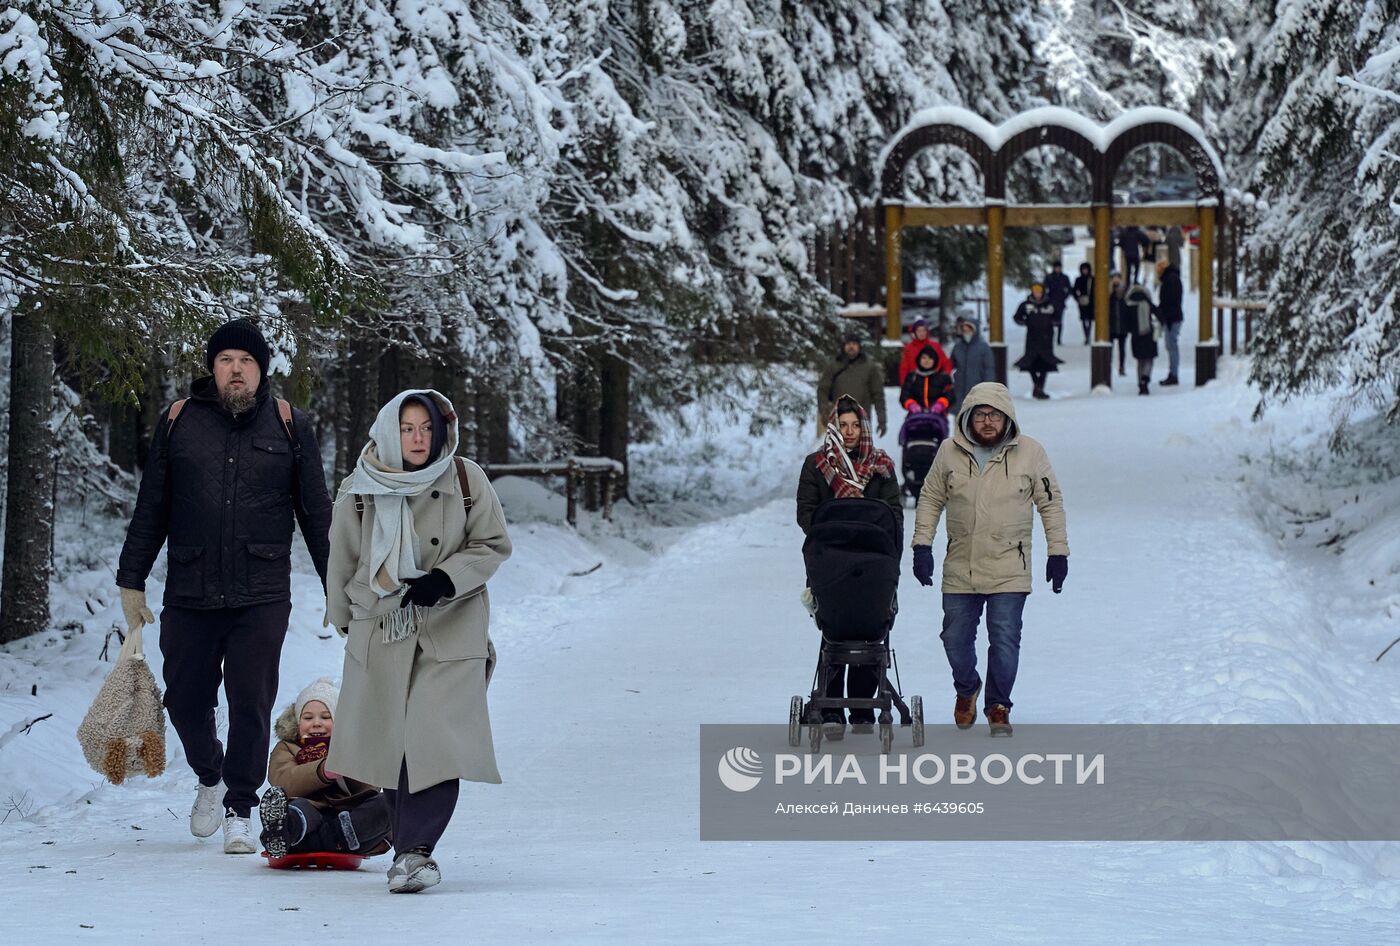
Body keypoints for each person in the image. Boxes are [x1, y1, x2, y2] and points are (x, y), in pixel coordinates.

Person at [115, 319, 333, 854]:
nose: (236, 370)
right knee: (186, 699)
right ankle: (209, 776)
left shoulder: (289, 424)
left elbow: (316, 514)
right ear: (212, 368)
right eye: (226, 360)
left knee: (251, 703)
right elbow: (152, 506)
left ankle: (240, 804)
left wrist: (338, 586)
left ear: (261, 371)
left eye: (247, 362)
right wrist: (131, 579)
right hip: (190, 588)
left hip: (261, 592)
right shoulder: (178, 421)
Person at [325, 389, 512, 894]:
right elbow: (342, 557)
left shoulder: (466, 478)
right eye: (407, 428)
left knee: (435, 740)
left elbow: (493, 544)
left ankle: (415, 850)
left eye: (426, 428)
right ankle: (406, 849)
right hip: (380, 626)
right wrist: (346, 621)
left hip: (451, 624)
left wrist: (446, 579)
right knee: (390, 742)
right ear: (390, 431)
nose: (418, 438)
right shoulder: (359, 486)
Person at [909, 382, 1069, 737]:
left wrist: (1058, 553)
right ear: (967, 417)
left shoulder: (1030, 453)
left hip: (1009, 565)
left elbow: (1050, 504)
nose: (987, 422)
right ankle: (967, 688)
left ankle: (999, 705)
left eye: (994, 415)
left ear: (1007, 418)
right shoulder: (949, 452)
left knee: (1005, 638)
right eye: (980, 415)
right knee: (954, 639)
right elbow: (931, 498)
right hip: (960, 564)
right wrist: (922, 546)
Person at [796, 396, 902, 740]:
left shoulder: (881, 465)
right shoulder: (816, 465)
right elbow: (806, 512)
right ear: (833, 426)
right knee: (836, 629)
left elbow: (893, 512)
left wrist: (892, 553)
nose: (850, 431)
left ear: (864, 427)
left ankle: (861, 706)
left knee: (871, 628)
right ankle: (830, 706)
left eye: (856, 425)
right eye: (843, 425)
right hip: (831, 557)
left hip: (874, 560)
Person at [259, 677, 394, 860]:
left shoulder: (353, 747)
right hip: (309, 811)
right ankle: (283, 831)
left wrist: (349, 768)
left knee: (388, 801)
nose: (316, 723)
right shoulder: (288, 747)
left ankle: (321, 840)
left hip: (348, 821)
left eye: (326, 717)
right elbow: (283, 780)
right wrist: (322, 771)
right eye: (308, 717)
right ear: (297, 722)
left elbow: (370, 786)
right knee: (297, 810)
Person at [817, 331, 887, 437]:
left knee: (860, 452)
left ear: (859, 347)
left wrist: (882, 420)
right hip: (839, 419)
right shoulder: (833, 366)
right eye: (848, 344)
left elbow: (878, 395)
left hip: (861, 420)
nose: (851, 347)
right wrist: (824, 410)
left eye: (854, 344)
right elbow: (823, 389)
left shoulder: (869, 367)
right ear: (844, 346)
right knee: (838, 451)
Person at [1012, 283, 1061, 400]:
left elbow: (1058, 317)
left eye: (1039, 292)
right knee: (1031, 363)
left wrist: (1052, 323)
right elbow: (1017, 317)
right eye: (1035, 292)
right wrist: (1025, 322)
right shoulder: (1026, 305)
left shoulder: (1050, 305)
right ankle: (1037, 386)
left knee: (1045, 362)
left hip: (1046, 338)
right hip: (1032, 338)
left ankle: (1040, 387)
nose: (1037, 294)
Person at [951, 316, 995, 411]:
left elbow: (989, 368)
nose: (966, 333)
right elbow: (951, 364)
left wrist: (988, 387)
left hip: (977, 387)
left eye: (969, 330)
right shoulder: (958, 347)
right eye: (964, 330)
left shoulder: (983, 347)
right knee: (959, 416)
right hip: (959, 389)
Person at [1123, 281, 1158, 395]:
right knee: (1149, 359)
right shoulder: (1148, 304)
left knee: (1140, 361)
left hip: (1136, 336)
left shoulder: (1128, 306)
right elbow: (1159, 313)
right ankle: (1145, 378)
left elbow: (1126, 323)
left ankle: (1140, 382)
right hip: (1148, 335)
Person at [899, 346, 955, 415]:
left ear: (935, 360)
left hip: (937, 415)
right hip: (915, 415)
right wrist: (911, 404)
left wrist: (941, 404)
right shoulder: (912, 377)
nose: (927, 361)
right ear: (919, 359)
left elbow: (950, 395)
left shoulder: (943, 378)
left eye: (930, 358)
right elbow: (904, 395)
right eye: (924, 358)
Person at [1155, 257, 1184, 385]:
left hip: (1172, 318)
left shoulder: (1169, 280)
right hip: (1174, 316)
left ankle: (1173, 374)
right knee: (1171, 346)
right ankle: (1173, 373)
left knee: (1172, 346)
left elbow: (1169, 300)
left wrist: (1166, 316)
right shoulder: (1173, 278)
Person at [898, 319, 952, 385]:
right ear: (914, 332)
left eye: (924, 330)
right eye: (919, 331)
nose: (922, 333)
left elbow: (946, 363)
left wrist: (945, 379)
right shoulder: (908, 348)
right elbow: (904, 368)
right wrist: (904, 384)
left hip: (934, 384)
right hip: (915, 384)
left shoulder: (935, 346)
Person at [1107, 272, 1129, 377]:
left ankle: (1122, 366)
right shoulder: (1108, 293)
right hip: (1111, 325)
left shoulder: (1125, 292)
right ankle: (1108, 366)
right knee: (1110, 348)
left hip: (1122, 325)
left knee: (1122, 349)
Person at [1045, 261, 1072, 345]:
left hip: (1060, 302)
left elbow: (1069, 289)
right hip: (1050, 301)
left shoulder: (1064, 277)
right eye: (1056, 267)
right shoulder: (1049, 277)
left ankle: (1059, 339)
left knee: (1060, 321)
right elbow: (1044, 288)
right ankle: (1050, 337)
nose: (1057, 269)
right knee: (1050, 320)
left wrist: (1064, 296)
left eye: (1059, 267)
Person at [1072, 262, 1094, 345]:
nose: (1085, 271)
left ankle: (1087, 335)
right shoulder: (1078, 279)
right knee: (1084, 319)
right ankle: (1086, 335)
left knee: (1090, 319)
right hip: (1082, 302)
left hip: (1091, 302)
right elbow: (1074, 290)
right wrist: (1077, 299)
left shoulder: (1093, 279)